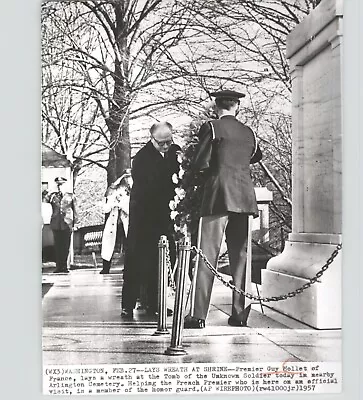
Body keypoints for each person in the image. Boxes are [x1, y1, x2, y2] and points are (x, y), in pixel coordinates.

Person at [184, 89, 262, 329]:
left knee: (207, 254)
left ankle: (198, 315)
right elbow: (256, 156)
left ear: (216, 107)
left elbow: (201, 162)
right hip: (244, 196)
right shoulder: (249, 132)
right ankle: (240, 313)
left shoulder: (212, 127)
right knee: (241, 257)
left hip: (218, 195)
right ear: (237, 107)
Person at [121, 122, 180, 318]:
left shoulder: (176, 153)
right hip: (144, 216)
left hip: (167, 215)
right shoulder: (141, 158)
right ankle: (128, 304)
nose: (166, 146)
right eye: (161, 143)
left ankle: (157, 303)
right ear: (152, 139)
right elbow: (150, 187)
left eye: (168, 141)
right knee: (138, 260)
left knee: (164, 260)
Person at [100, 170, 132, 274]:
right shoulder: (115, 191)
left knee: (129, 244)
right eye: (126, 177)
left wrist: (122, 205)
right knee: (108, 244)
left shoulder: (133, 192)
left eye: (129, 177)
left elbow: (133, 208)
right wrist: (113, 203)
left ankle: (128, 267)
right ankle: (106, 267)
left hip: (126, 220)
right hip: (114, 221)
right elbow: (106, 207)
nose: (127, 180)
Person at [44, 177, 77, 273]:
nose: (60, 186)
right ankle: (59, 266)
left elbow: (75, 210)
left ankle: (64, 266)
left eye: (61, 184)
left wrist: (76, 224)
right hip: (56, 223)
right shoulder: (52, 196)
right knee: (58, 246)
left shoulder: (70, 196)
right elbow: (44, 201)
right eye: (58, 184)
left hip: (67, 223)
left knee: (66, 246)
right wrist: (50, 191)